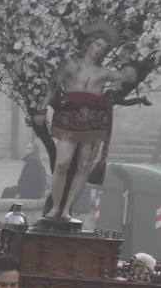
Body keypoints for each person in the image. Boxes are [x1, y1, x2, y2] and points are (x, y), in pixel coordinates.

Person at [41, 23, 140, 221]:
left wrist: (123, 57)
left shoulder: (103, 72)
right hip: (69, 116)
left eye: (104, 48)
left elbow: (131, 77)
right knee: (62, 163)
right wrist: (41, 109)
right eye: (97, 45)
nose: (99, 50)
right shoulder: (71, 65)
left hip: (93, 121)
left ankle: (68, 209)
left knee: (84, 166)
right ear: (88, 44)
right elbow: (53, 84)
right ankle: (56, 207)